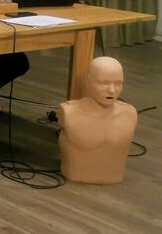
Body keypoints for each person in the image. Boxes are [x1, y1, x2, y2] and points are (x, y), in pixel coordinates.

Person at [58, 56, 138, 184]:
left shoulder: (130, 114)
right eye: (103, 83)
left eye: (118, 83)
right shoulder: (69, 112)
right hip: (76, 176)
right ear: (88, 81)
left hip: (115, 178)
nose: (112, 90)